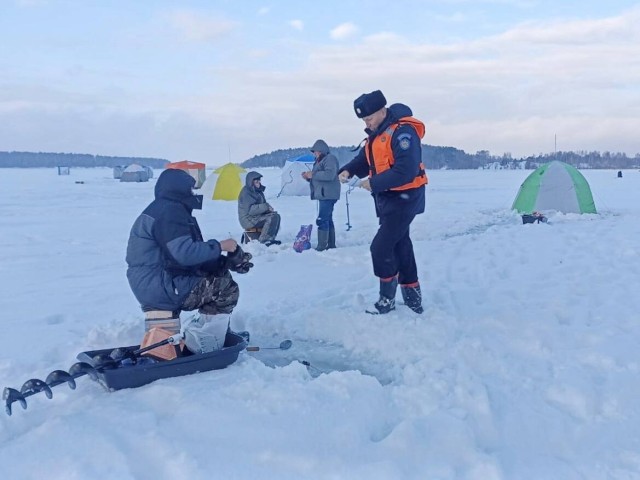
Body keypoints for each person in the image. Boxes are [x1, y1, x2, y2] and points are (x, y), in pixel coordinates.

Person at [126, 168, 254, 357]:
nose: (193, 193)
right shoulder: (170, 212)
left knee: (218, 276)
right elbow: (184, 254)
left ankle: (203, 335)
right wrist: (222, 246)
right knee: (225, 288)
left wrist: (223, 263)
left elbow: (186, 257)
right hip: (162, 286)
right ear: (179, 190)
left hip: (154, 283)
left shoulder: (162, 209)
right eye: (190, 189)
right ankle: (208, 341)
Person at [338, 90, 427, 314]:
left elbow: (406, 170)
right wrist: (347, 170)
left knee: (381, 247)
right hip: (388, 199)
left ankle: (386, 300)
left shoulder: (403, 132)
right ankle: (412, 298)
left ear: (381, 111)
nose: (366, 123)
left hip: (405, 198)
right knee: (401, 244)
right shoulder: (375, 135)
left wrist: (374, 183)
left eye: (369, 118)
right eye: (363, 120)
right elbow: (363, 160)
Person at [301, 139, 341, 251]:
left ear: (322, 150)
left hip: (328, 194)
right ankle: (330, 244)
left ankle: (322, 246)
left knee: (322, 219)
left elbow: (329, 175)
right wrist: (308, 177)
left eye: (316, 151)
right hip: (324, 194)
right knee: (327, 219)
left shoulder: (330, 159)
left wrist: (312, 174)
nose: (314, 153)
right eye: (314, 152)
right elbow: (318, 178)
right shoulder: (319, 161)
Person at [238, 171, 282, 246]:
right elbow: (250, 210)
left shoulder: (257, 191)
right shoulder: (246, 193)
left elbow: (260, 207)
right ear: (251, 182)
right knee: (271, 218)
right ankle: (264, 241)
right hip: (248, 219)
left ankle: (270, 239)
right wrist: (266, 206)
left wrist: (268, 211)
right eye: (256, 182)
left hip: (255, 217)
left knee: (276, 216)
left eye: (259, 181)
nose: (258, 183)